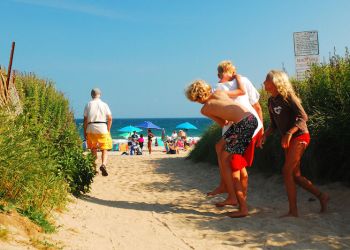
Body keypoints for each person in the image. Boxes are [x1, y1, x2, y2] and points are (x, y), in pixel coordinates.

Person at [258, 70, 329, 217]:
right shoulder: (271, 101)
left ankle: (293, 211)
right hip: (288, 139)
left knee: (286, 171)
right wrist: (265, 135)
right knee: (296, 176)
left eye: (267, 79)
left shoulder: (288, 97)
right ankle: (322, 196)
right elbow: (274, 125)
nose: (264, 82)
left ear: (276, 82)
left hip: (300, 136)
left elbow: (303, 116)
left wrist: (290, 133)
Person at [186, 80, 258, 218]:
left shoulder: (205, 109)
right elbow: (237, 95)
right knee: (219, 146)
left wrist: (227, 117)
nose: (197, 102)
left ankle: (238, 202)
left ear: (197, 97)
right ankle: (227, 189)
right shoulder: (220, 92)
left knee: (228, 160)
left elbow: (223, 123)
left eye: (195, 100)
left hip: (243, 125)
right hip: (248, 119)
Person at [208, 60, 264, 208]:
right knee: (223, 152)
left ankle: (238, 201)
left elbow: (255, 105)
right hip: (240, 128)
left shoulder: (224, 86)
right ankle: (232, 193)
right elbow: (256, 106)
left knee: (234, 165)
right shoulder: (235, 82)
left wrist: (261, 128)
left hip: (245, 127)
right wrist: (262, 127)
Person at [84, 88, 112, 176]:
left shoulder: (88, 104)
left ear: (91, 95)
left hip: (91, 127)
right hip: (102, 127)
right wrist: (108, 129)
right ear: (100, 94)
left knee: (93, 149)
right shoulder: (104, 105)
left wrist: (85, 131)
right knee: (104, 148)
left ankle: (94, 169)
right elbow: (110, 118)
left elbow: (85, 119)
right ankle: (103, 164)